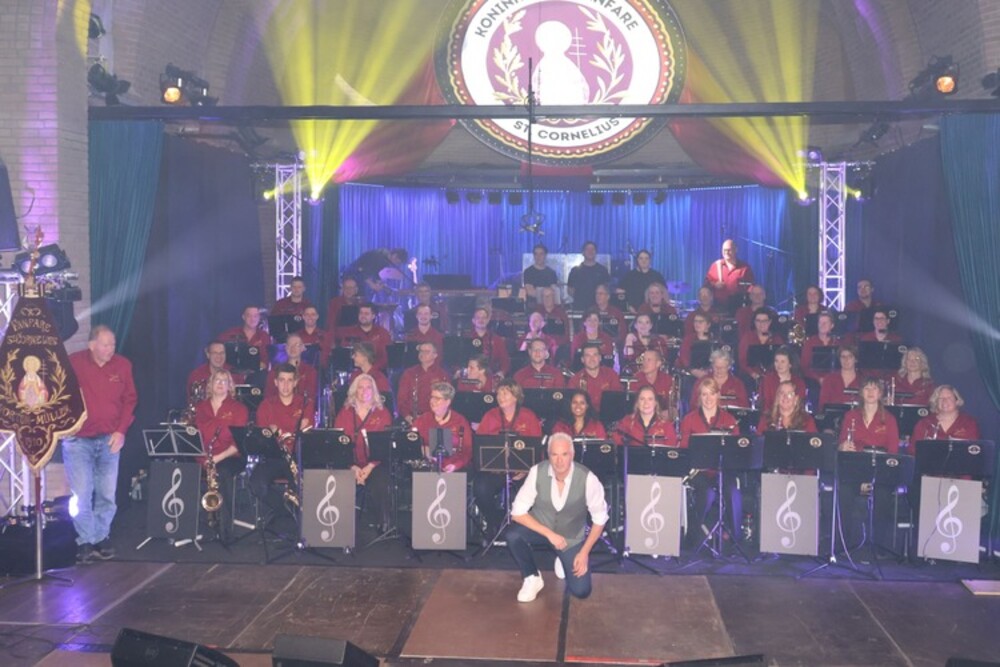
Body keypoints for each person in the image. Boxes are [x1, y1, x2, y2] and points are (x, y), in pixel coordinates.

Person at [64, 325, 138, 563]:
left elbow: (130, 400)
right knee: (81, 494)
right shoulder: (74, 362)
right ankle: (85, 540)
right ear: (91, 345)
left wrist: (121, 431)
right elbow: (58, 393)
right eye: (105, 344)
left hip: (109, 439)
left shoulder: (123, 365)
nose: (110, 349)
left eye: (113, 344)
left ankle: (101, 537)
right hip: (78, 440)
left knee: (107, 493)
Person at [507, 432, 608, 602]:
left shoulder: (588, 479)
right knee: (513, 535)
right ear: (548, 455)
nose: (559, 461)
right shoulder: (536, 472)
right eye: (554, 455)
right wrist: (549, 534)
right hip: (541, 529)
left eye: (564, 454)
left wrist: (584, 552)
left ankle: (562, 558)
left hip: (570, 539)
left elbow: (600, 519)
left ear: (572, 455)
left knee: (582, 591)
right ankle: (532, 577)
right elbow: (517, 513)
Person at [474, 379, 544, 539]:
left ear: (516, 396)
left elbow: (536, 449)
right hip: (494, 471)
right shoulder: (490, 416)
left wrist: (526, 470)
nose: (500, 397)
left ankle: (524, 531)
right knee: (480, 488)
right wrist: (490, 467)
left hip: (523, 472)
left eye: (505, 393)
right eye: (498, 393)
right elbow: (480, 446)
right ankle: (494, 521)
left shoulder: (528, 416)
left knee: (532, 493)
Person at [679, 377, 742, 547]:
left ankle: (736, 540)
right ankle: (693, 536)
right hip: (699, 471)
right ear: (699, 397)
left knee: (732, 491)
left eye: (712, 394)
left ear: (718, 395)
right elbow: (684, 448)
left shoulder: (729, 420)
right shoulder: (689, 419)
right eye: (704, 394)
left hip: (722, 470)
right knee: (707, 493)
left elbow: (736, 451)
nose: (708, 398)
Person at [252, 364, 315, 515]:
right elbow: (260, 440)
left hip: (297, 458)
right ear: (275, 382)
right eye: (282, 380)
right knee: (256, 484)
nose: (285, 385)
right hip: (273, 457)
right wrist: (269, 433)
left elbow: (308, 433)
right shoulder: (265, 405)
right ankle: (286, 510)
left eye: (289, 380)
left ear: (295, 382)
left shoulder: (306, 403)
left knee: (303, 487)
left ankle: (294, 514)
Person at [193, 369, 249, 537]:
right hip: (205, 456)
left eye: (225, 381)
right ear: (210, 384)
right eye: (217, 380)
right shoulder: (200, 408)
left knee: (223, 471)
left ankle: (225, 528)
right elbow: (195, 438)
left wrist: (217, 459)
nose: (220, 383)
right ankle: (192, 526)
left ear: (230, 386)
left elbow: (238, 443)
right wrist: (203, 459)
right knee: (186, 471)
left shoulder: (239, 409)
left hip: (231, 456)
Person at [334, 374, 394, 527]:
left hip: (375, 464)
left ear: (374, 391)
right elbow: (339, 443)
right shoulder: (345, 413)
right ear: (354, 391)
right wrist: (352, 467)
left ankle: (383, 524)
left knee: (382, 483)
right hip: (350, 463)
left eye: (368, 388)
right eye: (360, 387)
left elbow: (384, 445)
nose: (364, 391)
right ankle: (340, 527)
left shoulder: (383, 413)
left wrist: (369, 467)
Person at [412, 382, 473, 472]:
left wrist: (455, 465)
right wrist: (423, 449)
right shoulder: (422, 420)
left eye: (437, 398)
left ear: (447, 402)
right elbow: (411, 444)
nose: (432, 401)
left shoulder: (460, 422)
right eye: (432, 397)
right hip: (427, 469)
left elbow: (468, 450)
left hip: (454, 469)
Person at [838, 377, 900, 454]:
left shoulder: (889, 419)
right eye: (866, 388)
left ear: (880, 393)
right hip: (855, 459)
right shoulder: (850, 416)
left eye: (874, 388)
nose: (870, 392)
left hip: (879, 460)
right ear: (861, 392)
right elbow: (841, 442)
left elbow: (893, 449)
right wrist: (842, 446)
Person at [397, 341, 450, 422]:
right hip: (412, 418)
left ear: (435, 355)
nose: (422, 354)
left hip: (435, 419)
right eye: (421, 351)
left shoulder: (442, 375)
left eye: (427, 352)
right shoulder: (409, 373)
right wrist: (407, 416)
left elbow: (446, 399)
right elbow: (401, 399)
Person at [264, 333, 318, 407]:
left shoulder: (310, 372)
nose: (293, 348)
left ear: (303, 348)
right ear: (285, 348)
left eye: (296, 345)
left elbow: (311, 397)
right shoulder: (275, 371)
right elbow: (268, 396)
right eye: (290, 345)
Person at [911, 385, 980, 441]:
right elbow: (914, 450)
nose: (944, 401)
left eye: (949, 398)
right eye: (940, 398)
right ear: (936, 402)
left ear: (957, 401)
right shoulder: (924, 424)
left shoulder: (969, 423)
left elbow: (974, 449)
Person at [567, 344, 623, 413]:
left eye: (595, 355)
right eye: (588, 355)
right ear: (582, 359)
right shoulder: (575, 380)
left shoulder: (611, 374)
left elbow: (618, 400)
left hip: (609, 415)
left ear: (600, 358)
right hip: (585, 416)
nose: (592, 359)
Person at [704, 239, 754, 313]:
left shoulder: (744, 268)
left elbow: (751, 287)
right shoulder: (716, 266)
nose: (726, 252)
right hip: (718, 307)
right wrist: (714, 284)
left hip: (738, 307)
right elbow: (706, 284)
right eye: (724, 250)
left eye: (729, 250)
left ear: (736, 250)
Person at [337, 303, 392, 370]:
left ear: (373, 316)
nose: (363, 316)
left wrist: (372, 369)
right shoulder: (348, 333)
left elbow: (386, 357)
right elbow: (345, 356)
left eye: (366, 314)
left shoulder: (382, 333)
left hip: (377, 371)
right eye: (361, 313)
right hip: (355, 371)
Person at [737, 307, 785, 382]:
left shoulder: (777, 339)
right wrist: (752, 373)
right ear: (754, 322)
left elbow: (782, 359)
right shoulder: (747, 337)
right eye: (758, 321)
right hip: (750, 377)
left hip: (773, 376)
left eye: (764, 321)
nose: (761, 324)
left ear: (770, 322)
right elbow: (742, 361)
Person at [218, 305, 271, 370]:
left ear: (259, 318)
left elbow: (266, 362)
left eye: (255, 316)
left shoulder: (264, 336)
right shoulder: (230, 334)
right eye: (249, 316)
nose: (252, 319)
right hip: (233, 373)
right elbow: (218, 353)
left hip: (257, 373)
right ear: (243, 317)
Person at [757, 346, 808, 414]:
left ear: (790, 364)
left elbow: (800, 406)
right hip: (771, 416)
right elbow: (766, 405)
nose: (779, 365)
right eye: (776, 361)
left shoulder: (799, 382)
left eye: (783, 362)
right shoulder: (767, 380)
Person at [566, 241, 609, 311]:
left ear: (596, 252)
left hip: (598, 309)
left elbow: (606, 289)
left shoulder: (602, 270)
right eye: (587, 249)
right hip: (579, 308)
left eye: (592, 249)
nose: (590, 251)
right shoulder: (575, 271)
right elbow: (570, 290)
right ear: (583, 252)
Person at [467, 307, 510, 376]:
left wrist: (501, 373)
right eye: (478, 318)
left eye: (484, 318)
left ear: (488, 320)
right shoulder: (466, 338)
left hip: (491, 376)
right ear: (473, 320)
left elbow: (505, 361)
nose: (481, 320)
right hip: (469, 376)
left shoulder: (497, 340)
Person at [800, 311, 840, 382]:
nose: (822, 325)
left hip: (834, 380)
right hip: (813, 381)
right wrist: (818, 378)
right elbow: (804, 366)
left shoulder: (837, 343)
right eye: (820, 322)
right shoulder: (810, 343)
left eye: (825, 323)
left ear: (832, 325)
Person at [818, 345, 862, 410]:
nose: (846, 360)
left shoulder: (862, 380)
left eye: (850, 356)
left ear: (856, 359)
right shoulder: (829, 379)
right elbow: (822, 404)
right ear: (839, 359)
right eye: (843, 357)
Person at [677, 311, 714, 376]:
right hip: (691, 372)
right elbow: (684, 356)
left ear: (708, 324)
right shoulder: (688, 339)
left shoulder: (714, 339)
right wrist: (693, 370)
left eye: (700, 322)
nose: (697, 324)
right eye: (695, 321)